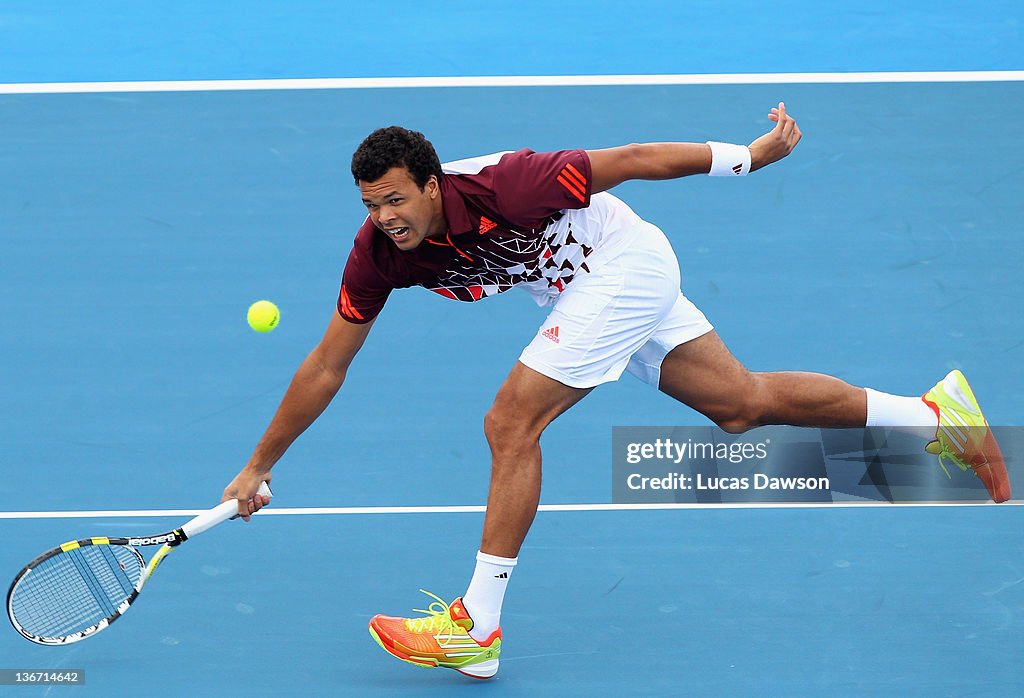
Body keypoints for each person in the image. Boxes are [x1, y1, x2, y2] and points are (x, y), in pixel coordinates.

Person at [221, 103, 1010, 680]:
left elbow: (632, 156)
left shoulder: (509, 185)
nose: (385, 218)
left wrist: (748, 156)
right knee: (740, 405)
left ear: (431, 185)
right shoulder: (379, 255)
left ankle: (476, 625)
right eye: (370, 205)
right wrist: (259, 463)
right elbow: (328, 363)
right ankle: (936, 417)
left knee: (509, 422)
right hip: (579, 290)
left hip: (621, 263)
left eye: (396, 199)